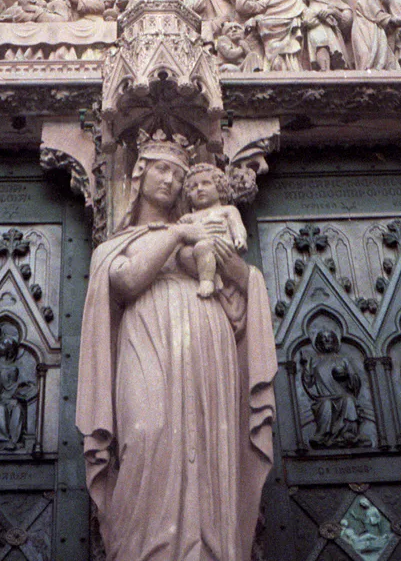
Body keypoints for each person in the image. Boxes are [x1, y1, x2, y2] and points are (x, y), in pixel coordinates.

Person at [76, 134, 276, 561]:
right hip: (146, 338)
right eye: (162, 169)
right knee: (146, 434)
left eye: (179, 174)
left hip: (207, 337)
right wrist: (179, 233)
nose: (171, 180)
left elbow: (243, 283)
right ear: (139, 172)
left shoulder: (206, 224)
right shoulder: (118, 243)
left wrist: (230, 262)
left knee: (209, 442)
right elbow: (127, 281)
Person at [177, 162, 248, 299]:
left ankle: (206, 281)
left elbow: (236, 225)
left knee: (203, 246)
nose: (199, 189)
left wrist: (240, 238)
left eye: (206, 183)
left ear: (219, 187)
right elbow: (180, 233)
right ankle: (213, 275)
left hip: (222, 246)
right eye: (193, 187)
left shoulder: (227, 210)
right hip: (199, 252)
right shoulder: (190, 217)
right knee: (184, 255)